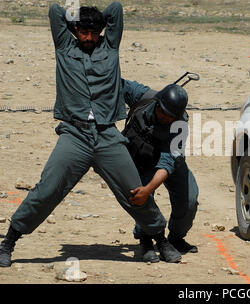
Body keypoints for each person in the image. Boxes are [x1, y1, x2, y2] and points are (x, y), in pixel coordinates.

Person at [0, 2, 179, 267]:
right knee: (48, 189)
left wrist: (97, 19)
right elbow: (54, 10)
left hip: (107, 135)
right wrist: (80, 15)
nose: (89, 37)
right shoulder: (64, 46)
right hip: (75, 135)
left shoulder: (110, 48)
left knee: (135, 191)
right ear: (74, 30)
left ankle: (160, 239)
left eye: (94, 32)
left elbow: (116, 8)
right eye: (84, 31)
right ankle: (9, 241)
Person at [121, 79, 199, 263]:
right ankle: (146, 239)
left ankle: (176, 238)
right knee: (141, 198)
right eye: (162, 112)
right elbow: (115, 82)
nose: (165, 118)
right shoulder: (143, 96)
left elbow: (168, 162)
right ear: (157, 103)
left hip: (168, 163)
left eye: (170, 116)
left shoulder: (180, 125)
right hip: (141, 160)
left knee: (189, 200)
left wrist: (149, 188)